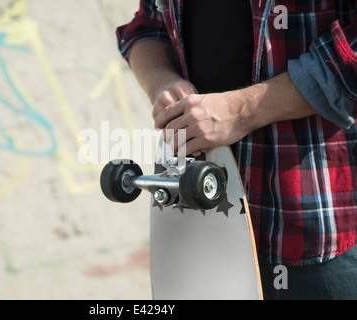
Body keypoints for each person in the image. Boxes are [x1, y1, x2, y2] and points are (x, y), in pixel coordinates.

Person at [116, 0, 357, 299]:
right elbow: (147, 25)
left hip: (307, 226)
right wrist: (161, 82)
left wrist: (241, 111)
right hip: (195, 224)